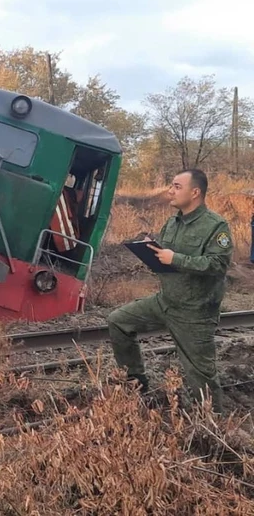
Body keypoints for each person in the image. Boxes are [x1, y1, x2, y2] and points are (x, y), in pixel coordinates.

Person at [107, 168, 233, 413]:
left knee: (201, 375)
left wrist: (176, 258)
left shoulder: (215, 226)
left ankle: (212, 427)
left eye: (177, 186)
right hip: (165, 301)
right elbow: (165, 256)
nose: (170, 190)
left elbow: (218, 265)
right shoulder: (172, 222)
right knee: (118, 321)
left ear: (195, 192)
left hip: (194, 312)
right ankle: (136, 386)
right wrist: (151, 249)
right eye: (171, 185)